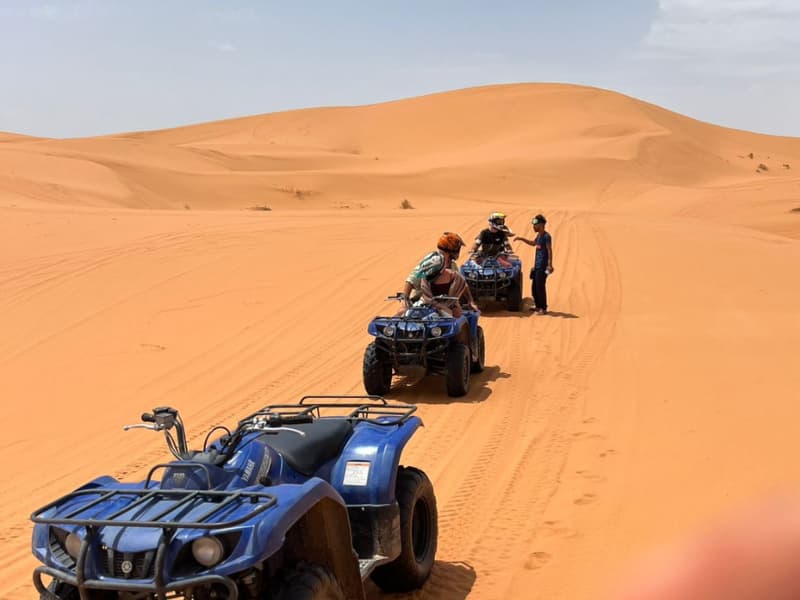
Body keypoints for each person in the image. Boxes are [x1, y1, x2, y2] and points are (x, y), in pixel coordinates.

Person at [402, 232, 478, 313]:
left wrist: (470, 301)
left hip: (443, 302)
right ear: (453, 250)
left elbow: (462, 284)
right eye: (458, 248)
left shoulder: (452, 265)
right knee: (403, 313)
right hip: (422, 301)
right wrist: (405, 299)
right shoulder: (432, 262)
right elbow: (412, 279)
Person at [515, 214, 553, 314]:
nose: (534, 226)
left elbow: (549, 250)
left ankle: (543, 308)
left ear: (541, 224)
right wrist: (521, 239)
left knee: (540, 287)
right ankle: (538, 306)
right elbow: (533, 243)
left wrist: (549, 265)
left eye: (535, 224)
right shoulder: (539, 236)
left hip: (543, 266)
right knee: (534, 287)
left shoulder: (546, 236)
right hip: (537, 266)